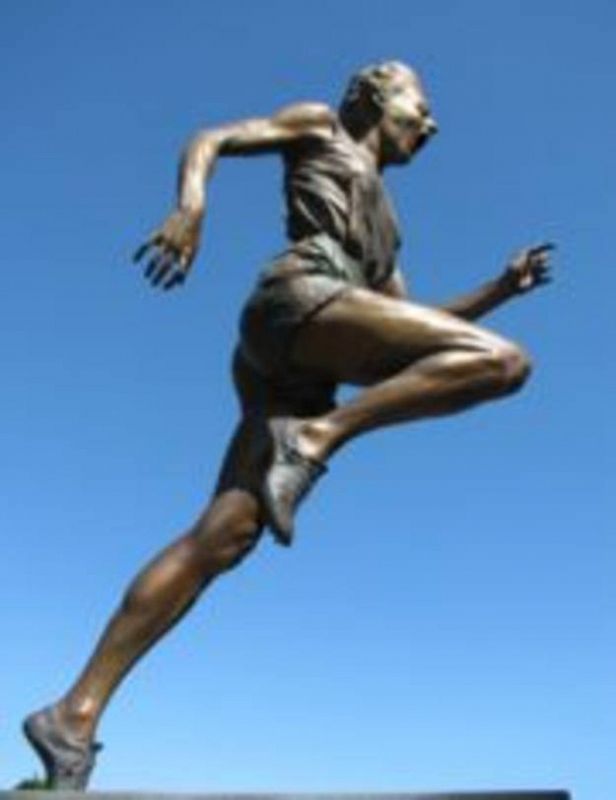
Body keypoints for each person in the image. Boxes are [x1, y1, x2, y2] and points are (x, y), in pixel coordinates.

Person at [23, 61, 553, 790]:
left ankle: (72, 715)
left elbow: (414, 325)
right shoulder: (321, 126)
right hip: (298, 298)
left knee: (220, 539)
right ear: (375, 95)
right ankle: (317, 439)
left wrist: (500, 288)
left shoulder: (389, 231)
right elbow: (210, 138)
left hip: (299, 361)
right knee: (504, 363)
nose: (431, 125)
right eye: (421, 106)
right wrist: (191, 208)